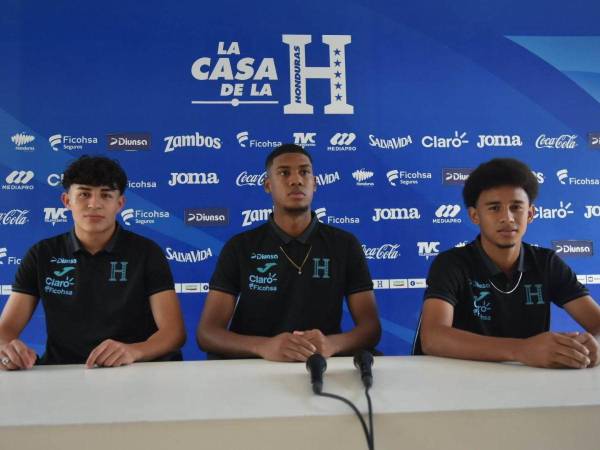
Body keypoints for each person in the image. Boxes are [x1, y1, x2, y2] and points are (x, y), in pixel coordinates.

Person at [197, 144, 381, 361]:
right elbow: (207, 333)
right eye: (284, 173)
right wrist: (264, 347)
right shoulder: (240, 246)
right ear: (268, 185)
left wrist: (331, 344)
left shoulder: (345, 244)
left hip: (320, 364)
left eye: (304, 172)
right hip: (253, 368)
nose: (296, 180)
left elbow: (371, 328)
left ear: (315, 184)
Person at [0, 156, 186, 370]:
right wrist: (6, 350)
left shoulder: (147, 252)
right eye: (84, 194)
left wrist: (134, 351)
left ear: (120, 203)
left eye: (106, 195)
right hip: (64, 372)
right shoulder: (42, 254)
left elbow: (174, 333)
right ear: (67, 201)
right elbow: (5, 330)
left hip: (133, 370)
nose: (94, 204)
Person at [414, 158, 600, 368]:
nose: (507, 217)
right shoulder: (451, 263)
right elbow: (433, 338)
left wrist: (594, 347)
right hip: (461, 385)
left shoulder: (546, 262)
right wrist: (521, 350)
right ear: (475, 215)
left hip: (529, 387)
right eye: (494, 208)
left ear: (530, 213)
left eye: (516, 207)